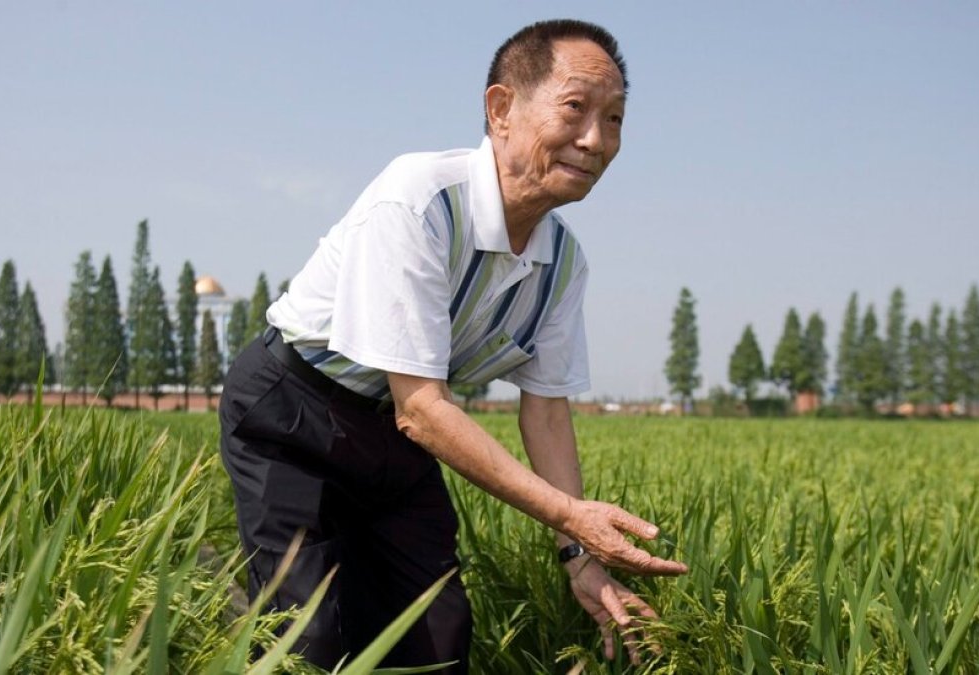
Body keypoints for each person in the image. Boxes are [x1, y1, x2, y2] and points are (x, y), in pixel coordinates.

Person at [218, 18, 687, 673]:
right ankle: (234, 605)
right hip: (293, 410)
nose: (595, 139)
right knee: (309, 643)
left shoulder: (563, 264)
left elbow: (546, 410)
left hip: (390, 432)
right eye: (576, 109)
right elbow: (424, 408)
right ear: (501, 109)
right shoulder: (420, 200)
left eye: (614, 119)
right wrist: (574, 517)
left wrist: (579, 557)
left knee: (436, 639)